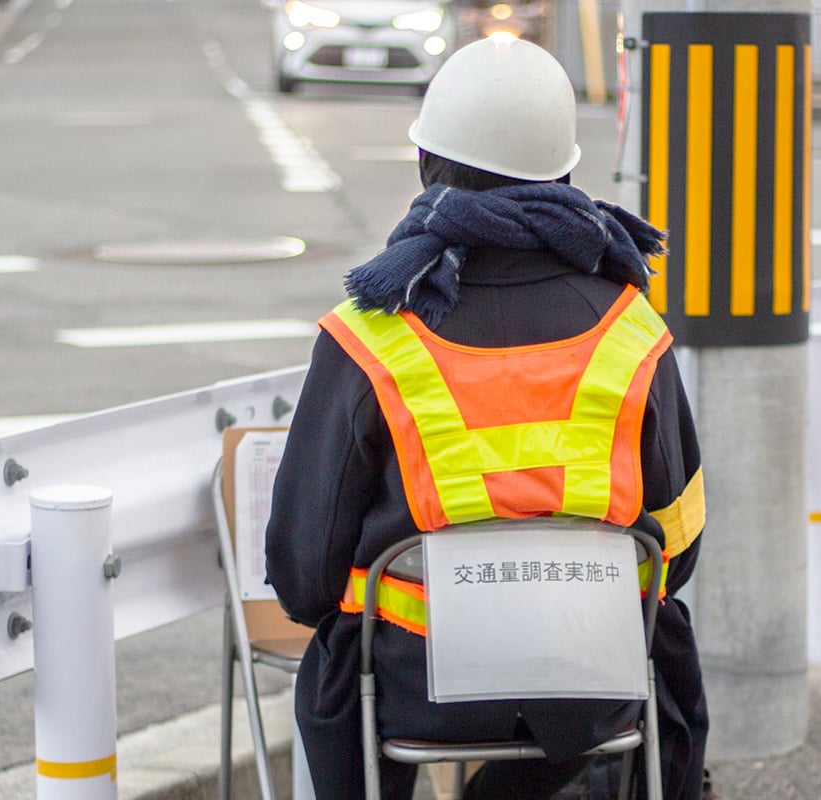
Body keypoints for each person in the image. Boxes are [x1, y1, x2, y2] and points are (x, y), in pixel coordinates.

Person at [265, 36, 708, 800]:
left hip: (412, 689)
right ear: (564, 175)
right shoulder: (632, 332)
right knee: (659, 633)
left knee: (337, 648)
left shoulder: (370, 336)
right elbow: (680, 546)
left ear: (427, 166)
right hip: (592, 689)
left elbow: (304, 579)